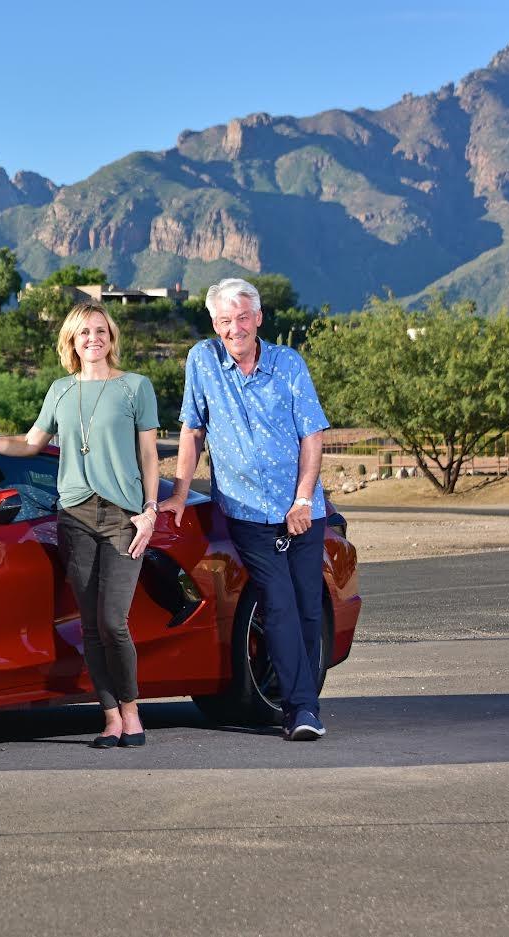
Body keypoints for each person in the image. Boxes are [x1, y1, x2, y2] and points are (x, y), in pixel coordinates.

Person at [0, 301, 161, 749]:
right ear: (71, 342)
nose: (93, 339)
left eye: (100, 331)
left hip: (123, 516)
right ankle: (110, 718)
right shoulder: (60, 391)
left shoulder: (135, 387)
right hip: (75, 516)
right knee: (90, 625)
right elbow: (29, 443)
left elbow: (149, 455)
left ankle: (131, 710)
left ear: (111, 337)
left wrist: (150, 510)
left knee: (113, 621)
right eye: (84, 333)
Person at [158, 278, 331, 741]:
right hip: (247, 513)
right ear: (215, 324)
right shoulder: (203, 360)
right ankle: (301, 710)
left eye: (241, 318)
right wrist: (178, 493)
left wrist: (302, 499)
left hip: (302, 510)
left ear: (258, 319)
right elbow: (193, 430)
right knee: (278, 603)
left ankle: (302, 697)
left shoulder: (287, 363)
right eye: (224, 320)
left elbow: (311, 435)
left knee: (308, 608)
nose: (234, 328)